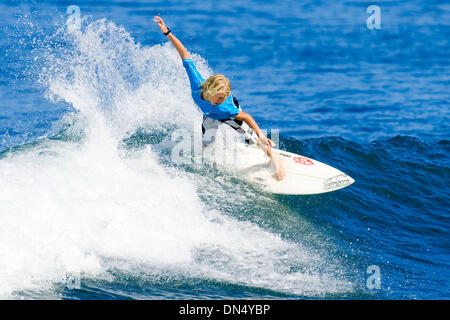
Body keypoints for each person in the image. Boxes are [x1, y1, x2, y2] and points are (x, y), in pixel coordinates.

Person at [153, 16, 285, 180]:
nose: (222, 100)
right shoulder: (197, 84)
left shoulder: (226, 107)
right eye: (220, 97)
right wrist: (167, 32)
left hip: (228, 115)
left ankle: (275, 160)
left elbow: (246, 117)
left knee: (253, 140)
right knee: (206, 143)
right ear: (210, 90)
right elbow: (184, 53)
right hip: (210, 116)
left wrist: (262, 135)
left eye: (224, 97)